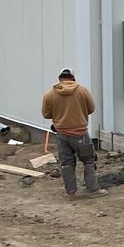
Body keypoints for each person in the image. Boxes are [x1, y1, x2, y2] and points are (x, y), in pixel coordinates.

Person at [41, 68, 99, 198]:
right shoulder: (83, 91)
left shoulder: (50, 94)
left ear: (60, 79)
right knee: (89, 161)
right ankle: (93, 189)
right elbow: (91, 109)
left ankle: (71, 193)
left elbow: (46, 114)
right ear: (73, 78)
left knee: (66, 163)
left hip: (62, 135)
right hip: (81, 134)